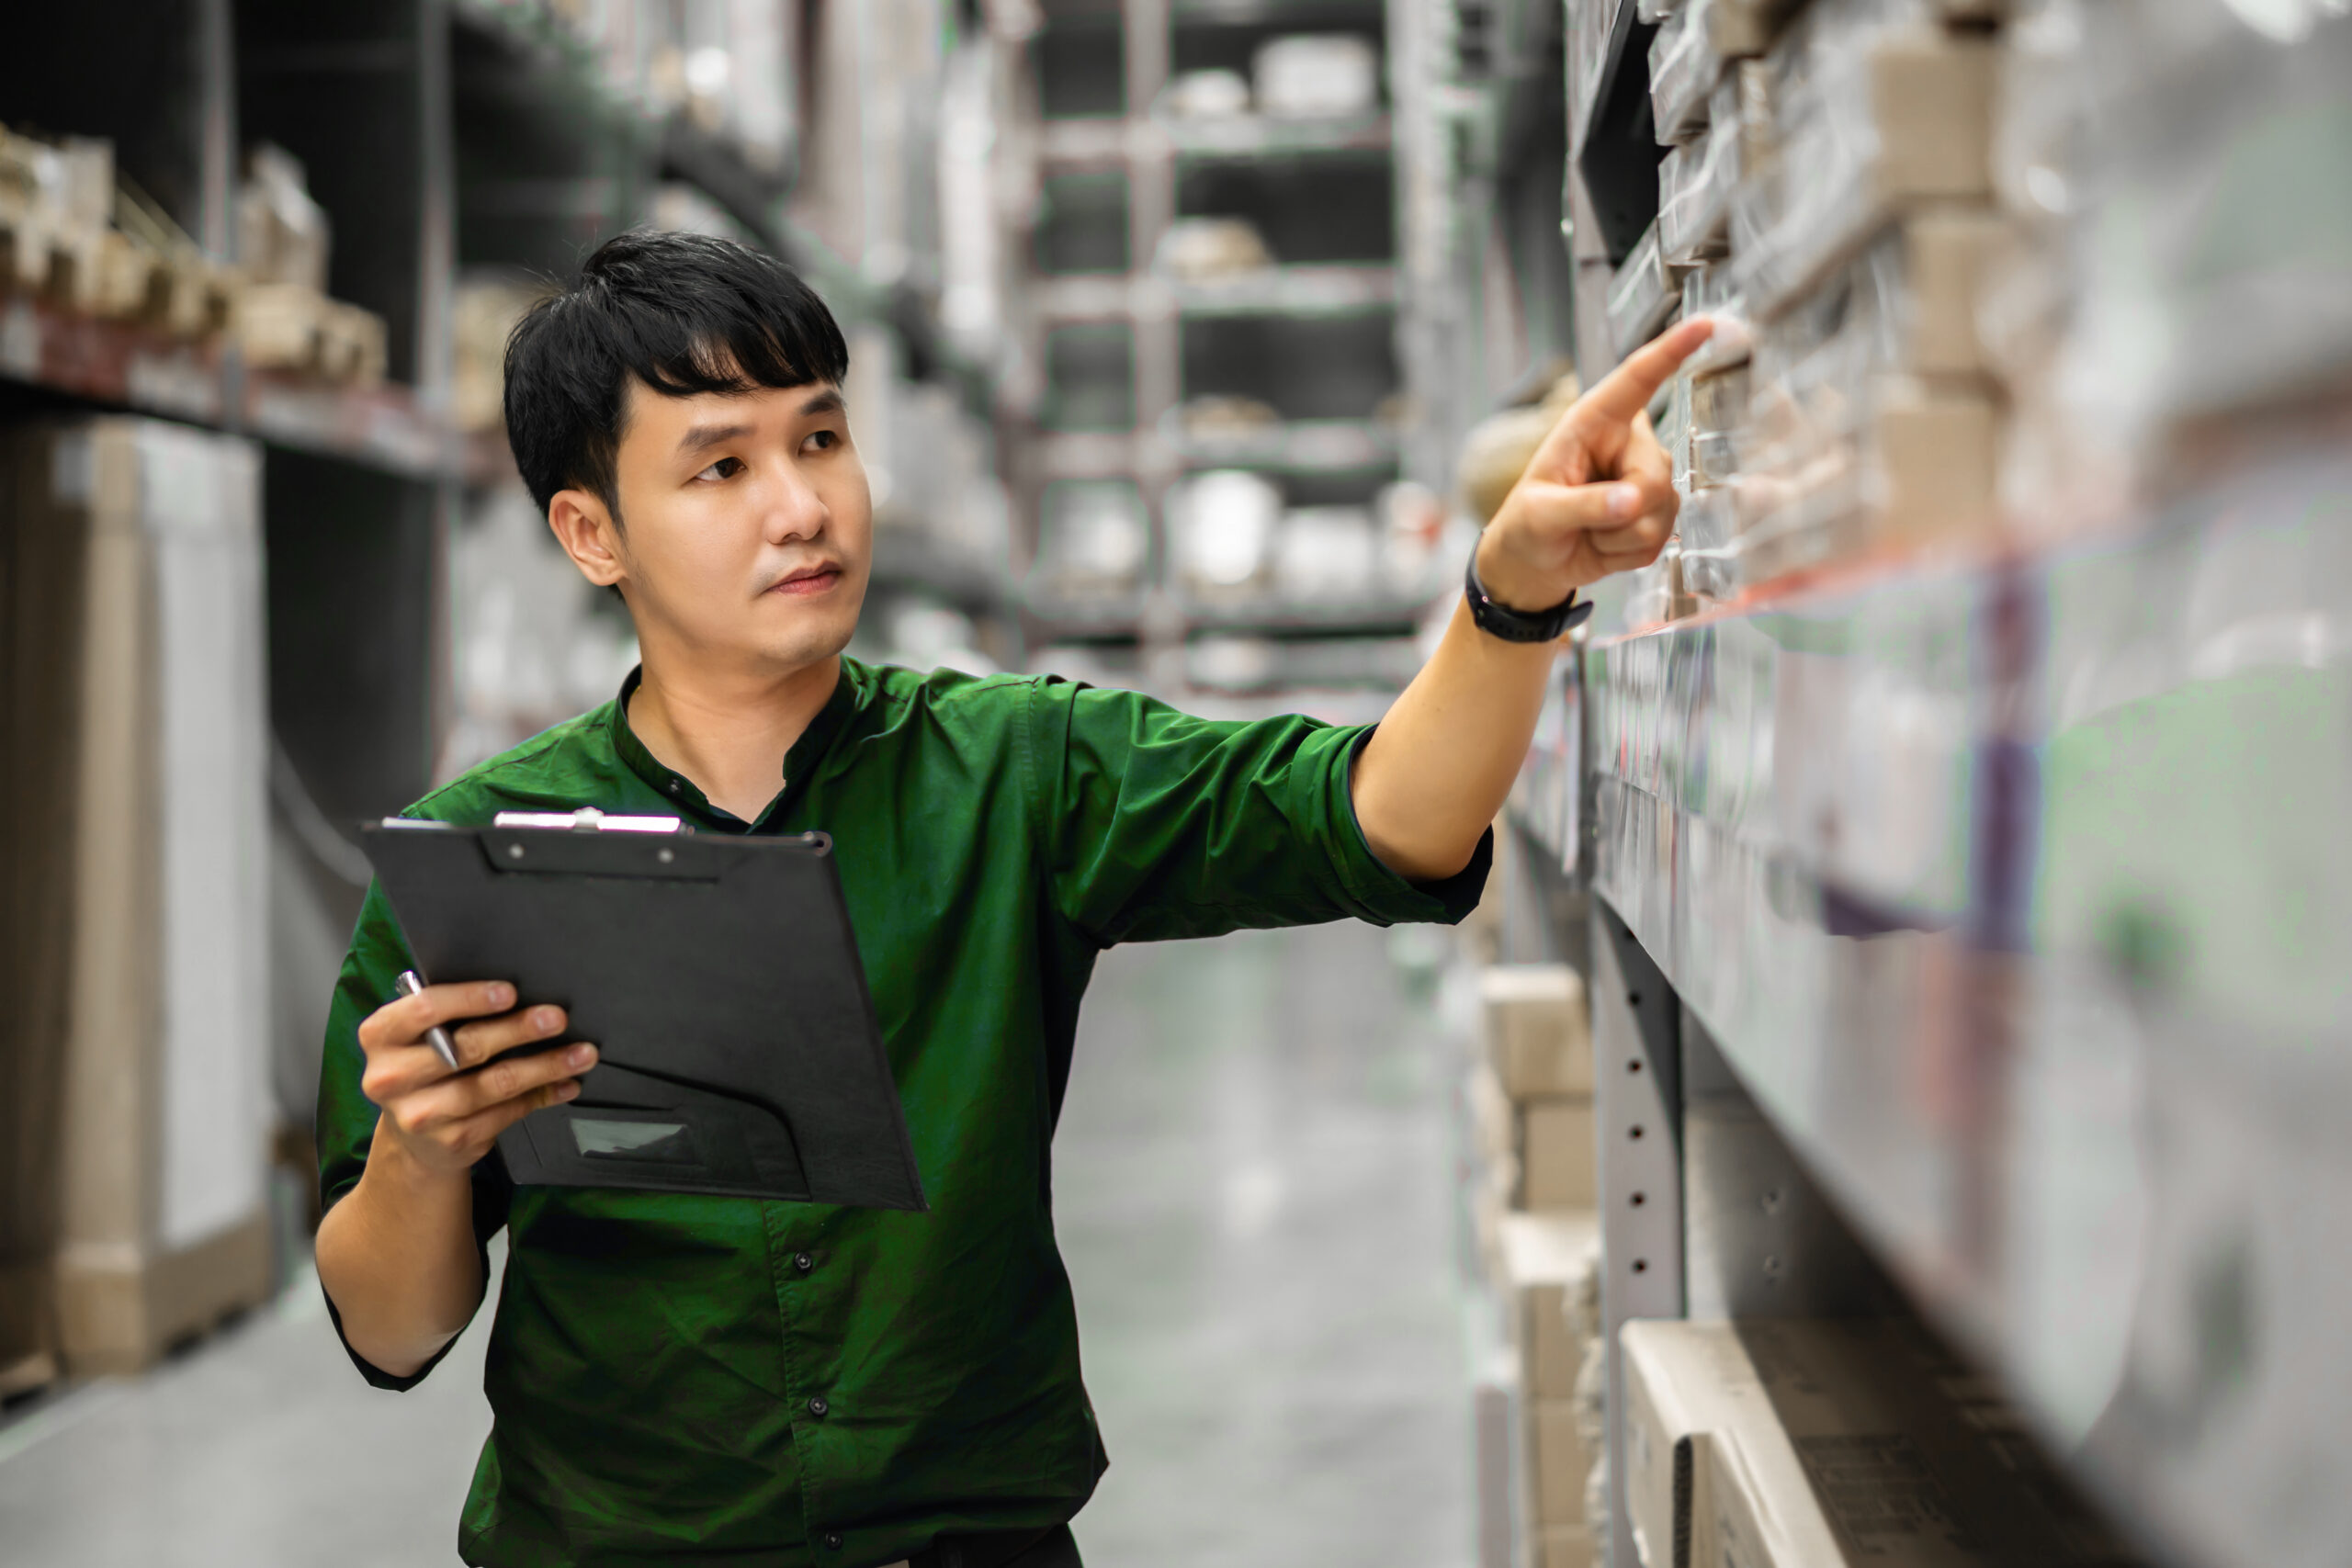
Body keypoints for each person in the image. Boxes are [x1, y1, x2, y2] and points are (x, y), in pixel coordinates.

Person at [314, 229, 1713, 1568]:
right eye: (719, 467)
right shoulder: (486, 857)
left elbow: (1382, 813)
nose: (802, 504)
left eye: (820, 437)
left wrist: (1515, 591)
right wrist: (419, 1161)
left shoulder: (1010, 772)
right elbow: (389, 1332)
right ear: (590, 532)